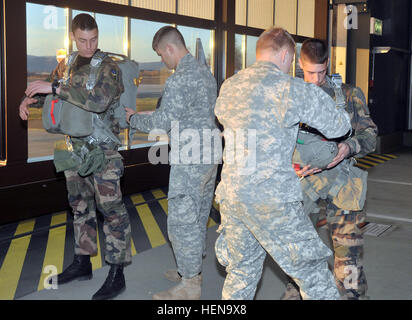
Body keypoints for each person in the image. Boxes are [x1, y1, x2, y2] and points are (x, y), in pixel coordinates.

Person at [214, 27, 352, 300]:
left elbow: (222, 116)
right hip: (272, 199)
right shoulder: (290, 88)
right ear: (287, 55)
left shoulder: (230, 85)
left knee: (241, 273)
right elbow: (339, 127)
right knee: (313, 275)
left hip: (232, 197)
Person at [19, 13, 132, 300]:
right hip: (74, 150)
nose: (88, 45)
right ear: (73, 36)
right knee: (80, 207)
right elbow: (50, 93)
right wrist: (31, 99)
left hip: (102, 150)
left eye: (93, 39)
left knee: (112, 211)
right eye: (82, 40)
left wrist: (55, 87)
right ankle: (83, 263)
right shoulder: (66, 64)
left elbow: (99, 101)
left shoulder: (109, 67)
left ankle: (117, 271)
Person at [125, 26, 219, 300]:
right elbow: (189, 113)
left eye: (160, 55)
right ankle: (191, 270)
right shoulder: (206, 73)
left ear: (169, 49)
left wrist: (134, 119)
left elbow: (162, 123)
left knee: (181, 221)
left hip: (190, 160)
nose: (163, 62)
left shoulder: (179, 80)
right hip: (210, 155)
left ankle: (190, 285)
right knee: (199, 214)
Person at [281, 38, 378, 300]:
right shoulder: (289, 96)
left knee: (348, 264)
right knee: (298, 258)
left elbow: (371, 136)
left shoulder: (348, 95)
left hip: (343, 183)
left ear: (328, 64)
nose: (315, 79)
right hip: (303, 188)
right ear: (299, 64)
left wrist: (349, 146)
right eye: (310, 72)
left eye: (321, 72)